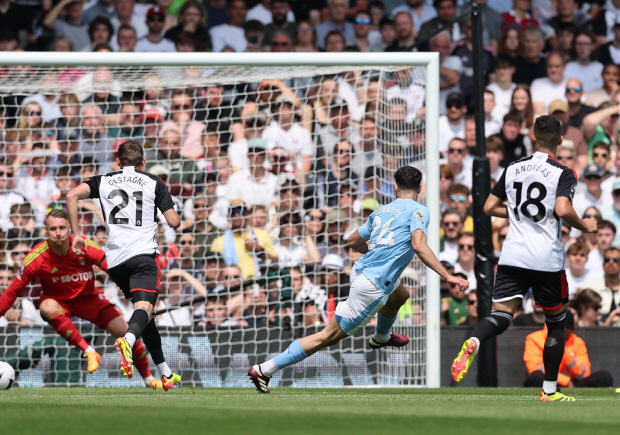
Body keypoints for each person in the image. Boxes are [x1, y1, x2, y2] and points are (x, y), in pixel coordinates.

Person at [248, 166, 469, 393]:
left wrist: (376, 253)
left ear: (395, 187)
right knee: (328, 336)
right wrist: (447, 275)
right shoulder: (419, 211)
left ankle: (381, 336)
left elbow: (352, 241)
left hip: (362, 272)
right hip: (372, 286)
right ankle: (265, 369)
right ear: (420, 189)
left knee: (400, 295)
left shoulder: (381, 211)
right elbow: (419, 245)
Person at [451, 115, 598, 402]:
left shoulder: (513, 167)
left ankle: (474, 340)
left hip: (512, 255)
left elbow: (488, 206)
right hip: (546, 259)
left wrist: (518, 212)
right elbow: (563, 208)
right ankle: (550, 391)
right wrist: (584, 226)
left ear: (532, 137)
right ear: (559, 140)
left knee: (500, 316)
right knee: (556, 322)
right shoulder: (563, 171)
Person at [0, 209, 164, 389]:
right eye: (53, 228)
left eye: (61, 227)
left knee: (127, 334)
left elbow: (113, 271)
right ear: (46, 231)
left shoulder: (86, 246)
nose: (58, 232)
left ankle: (148, 379)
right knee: (46, 306)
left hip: (89, 299)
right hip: (58, 302)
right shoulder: (36, 258)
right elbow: (12, 292)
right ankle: (88, 351)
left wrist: (141, 298)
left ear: (69, 228)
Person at [65, 140, 182, 390]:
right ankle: (128, 340)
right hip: (143, 257)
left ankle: (165, 372)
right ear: (143, 162)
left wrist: (76, 235)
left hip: (116, 262)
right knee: (144, 309)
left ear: (118, 161)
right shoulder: (154, 182)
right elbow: (174, 221)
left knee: (145, 314)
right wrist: (170, 211)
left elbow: (71, 195)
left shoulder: (103, 180)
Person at [524, 314, 613, 388]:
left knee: (604, 376)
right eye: (562, 327)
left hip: (574, 384)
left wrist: (565, 355)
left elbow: (584, 373)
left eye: (568, 327)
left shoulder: (577, 341)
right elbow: (534, 367)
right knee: (536, 377)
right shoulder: (534, 339)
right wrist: (565, 381)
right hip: (550, 382)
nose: (564, 330)